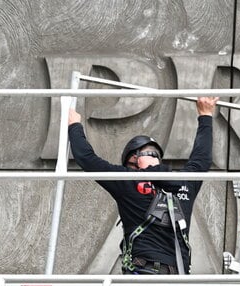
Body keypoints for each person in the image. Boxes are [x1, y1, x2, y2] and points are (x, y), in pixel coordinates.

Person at [67, 97, 218, 275]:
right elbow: (202, 158)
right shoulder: (182, 182)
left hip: (149, 277)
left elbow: (87, 159)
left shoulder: (130, 181)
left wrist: (74, 125)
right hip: (171, 279)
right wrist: (205, 115)